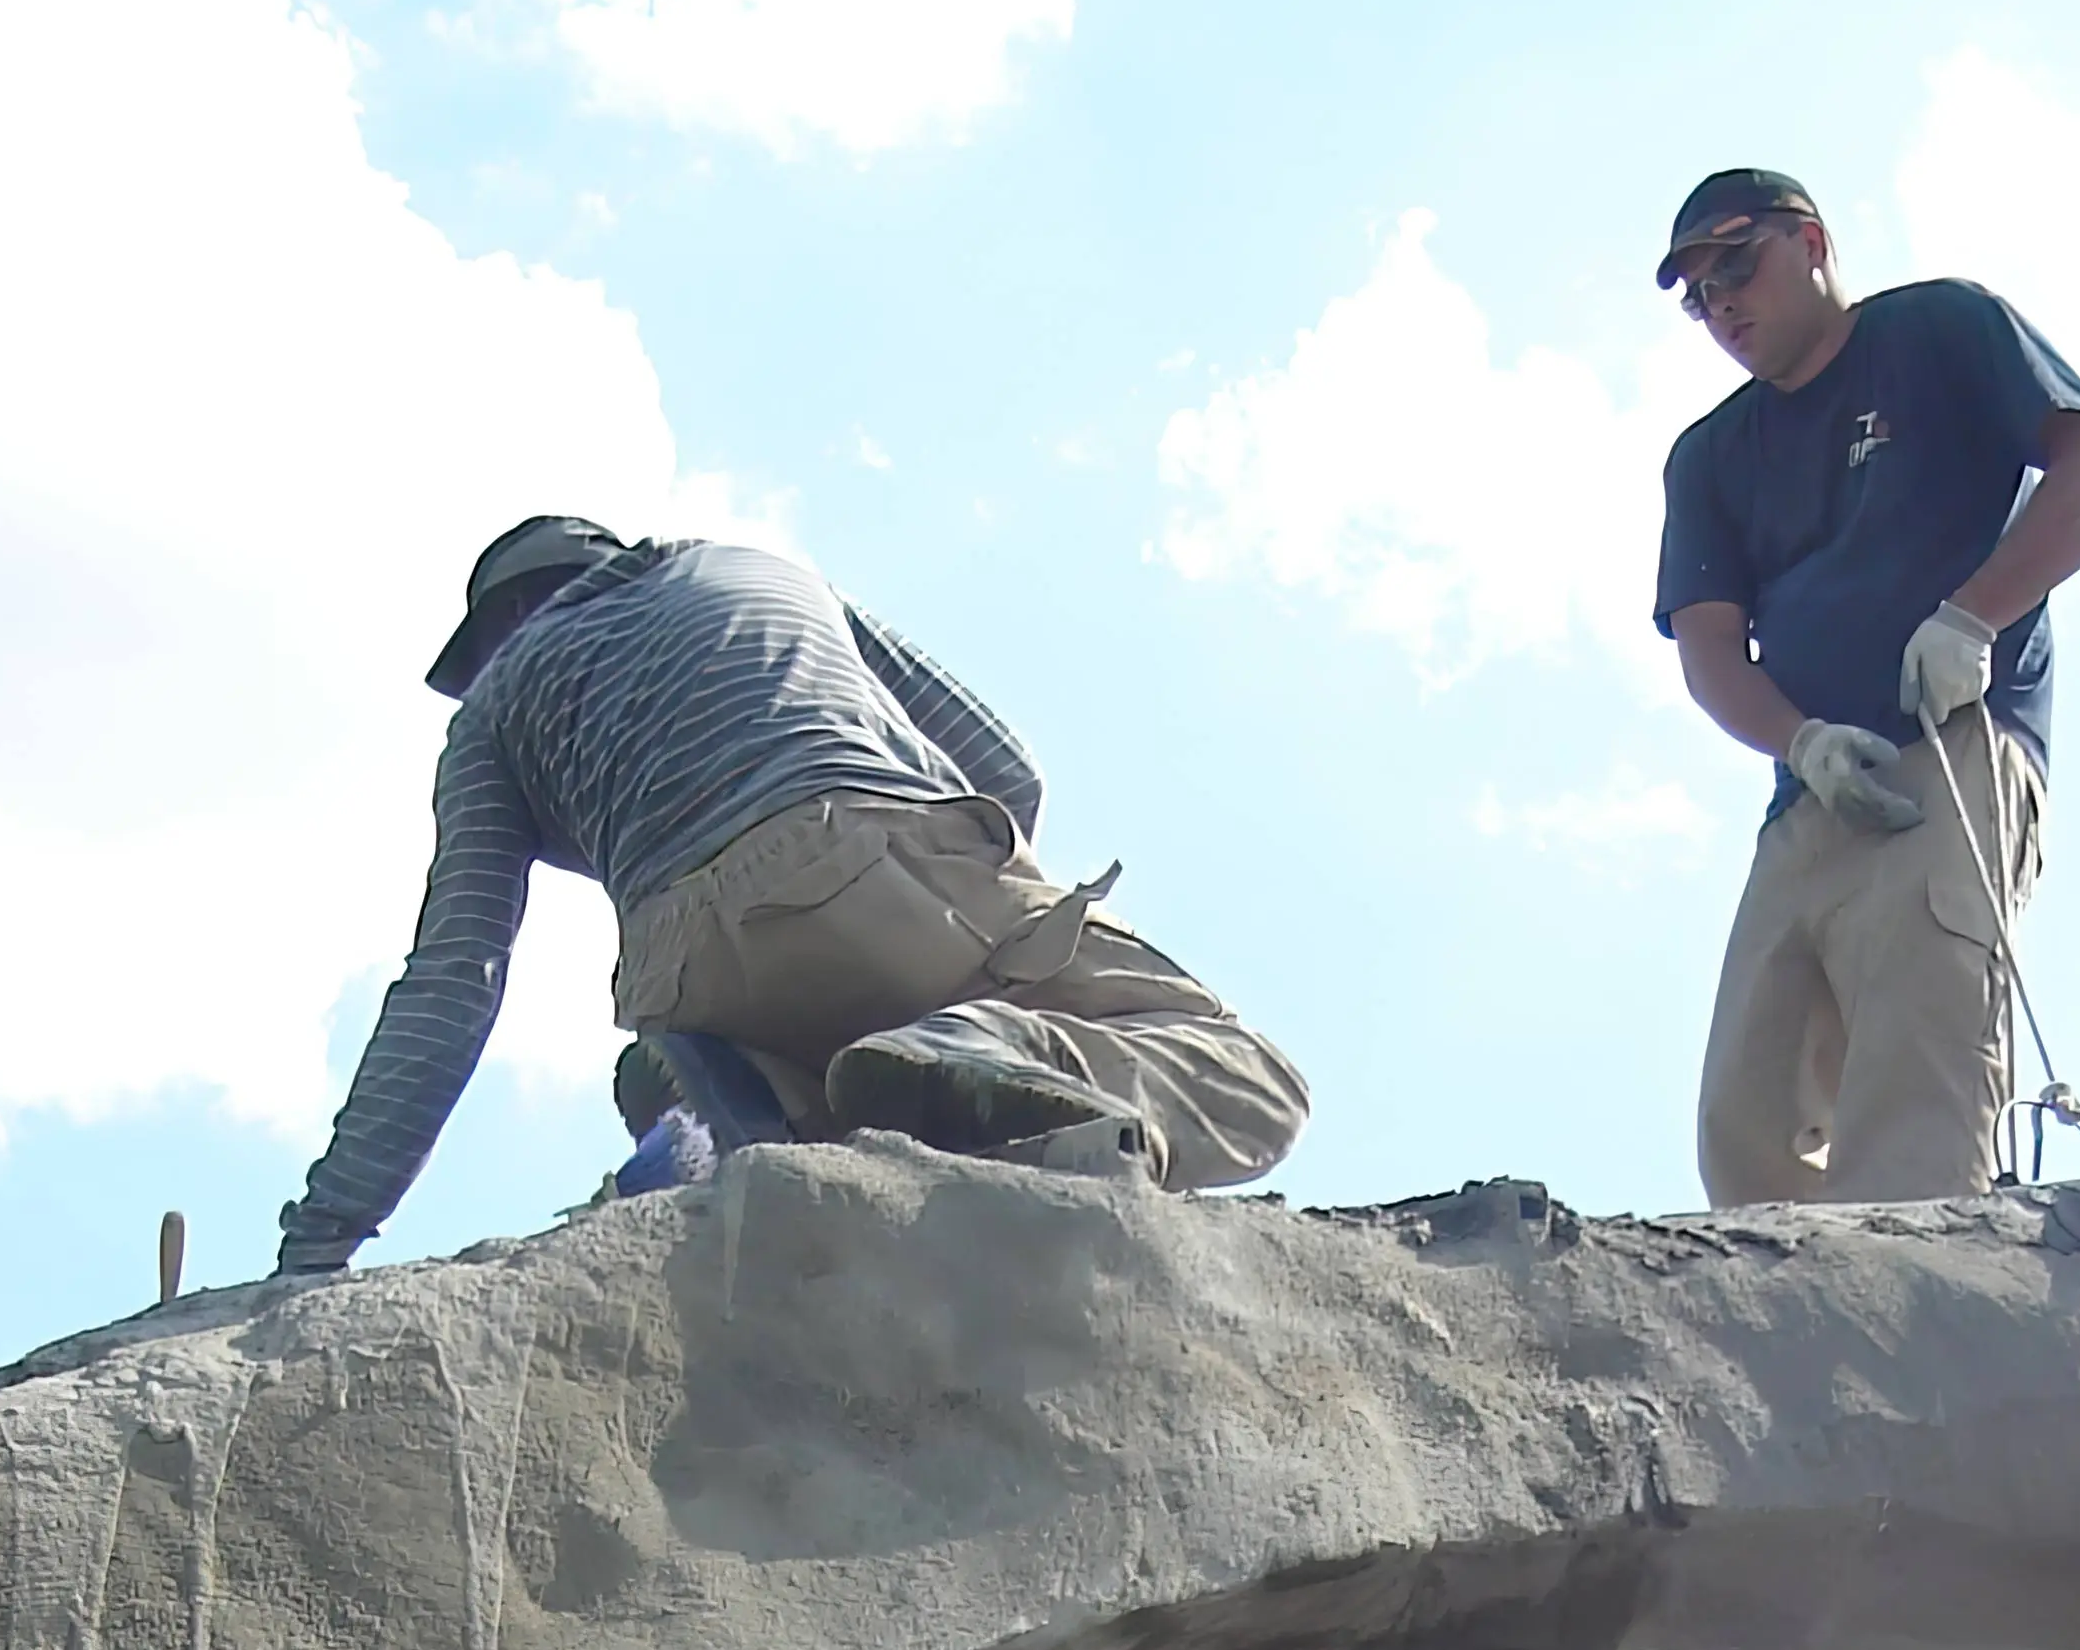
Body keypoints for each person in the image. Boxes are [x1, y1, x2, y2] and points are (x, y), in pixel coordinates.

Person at [273, 519, 1309, 1276]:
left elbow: (456, 979)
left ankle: (769, 1146)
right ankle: (991, 1049)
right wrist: (1000, 945)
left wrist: (319, 1243)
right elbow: (1008, 768)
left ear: (496, 630)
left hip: (694, 979)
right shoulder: (755, 568)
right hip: (884, 846)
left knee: (681, 1074)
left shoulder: (493, 713)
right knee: (1254, 1077)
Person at [1652, 169, 2080, 1207]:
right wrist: (1804, 746)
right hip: (1812, 799)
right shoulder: (1709, 459)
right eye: (1699, 295)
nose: (1723, 305)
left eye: (1737, 265)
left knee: (1919, 1100)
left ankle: (1942, 1343)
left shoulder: (1937, 331)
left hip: (1955, 752)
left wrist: (1975, 616)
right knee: (1743, 1127)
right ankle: (1783, 1352)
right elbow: (1709, 657)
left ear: (1813, 242)